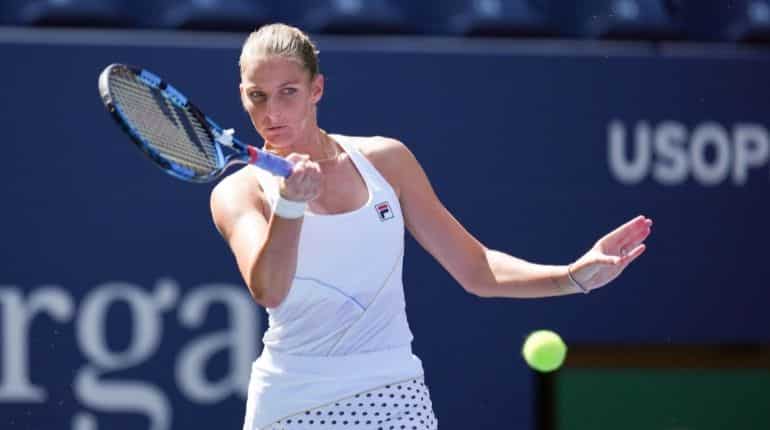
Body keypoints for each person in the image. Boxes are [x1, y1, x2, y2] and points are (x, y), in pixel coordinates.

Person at [210, 23, 653, 430]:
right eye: (258, 95)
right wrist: (289, 206)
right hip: (293, 407)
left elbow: (476, 268)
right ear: (242, 95)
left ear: (317, 89)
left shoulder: (387, 161)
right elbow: (268, 290)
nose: (272, 111)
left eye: (288, 91)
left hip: (396, 396)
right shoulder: (239, 193)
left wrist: (573, 277)